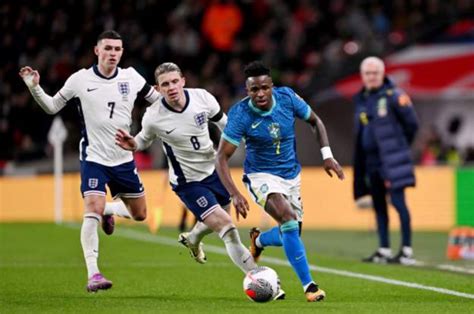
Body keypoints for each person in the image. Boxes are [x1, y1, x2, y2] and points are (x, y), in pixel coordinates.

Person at [19, 30, 161, 292]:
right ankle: (93, 273)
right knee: (91, 209)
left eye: (117, 49)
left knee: (140, 214)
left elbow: (159, 102)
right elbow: (51, 107)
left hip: (123, 159)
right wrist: (34, 87)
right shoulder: (80, 79)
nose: (113, 54)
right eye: (107, 48)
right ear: (97, 50)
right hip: (94, 156)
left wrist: (154, 125)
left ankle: (108, 209)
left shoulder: (131, 77)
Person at [115, 63, 270, 292]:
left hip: (214, 172)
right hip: (188, 182)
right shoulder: (154, 116)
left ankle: (193, 238)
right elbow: (143, 140)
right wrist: (134, 144)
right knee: (227, 227)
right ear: (158, 88)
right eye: (165, 84)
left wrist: (250, 143)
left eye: (174, 81)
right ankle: (260, 281)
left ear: (183, 81)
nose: (171, 87)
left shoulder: (203, 98)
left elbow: (225, 123)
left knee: (215, 222)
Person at [215, 61, 345, 302]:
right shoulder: (240, 114)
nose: (260, 94)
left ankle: (260, 239)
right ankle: (310, 286)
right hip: (260, 176)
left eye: (264, 87)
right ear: (248, 91)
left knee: (293, 232)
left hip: (291, 175)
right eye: (254, 90)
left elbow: (316, 122)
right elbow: (221, 157)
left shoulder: (287, 98)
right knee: (287, 219)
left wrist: (327, 156)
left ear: (272, 86)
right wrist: (234, 193)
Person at [353, 56, 419, 265]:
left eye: (375, 73)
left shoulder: (395, 95)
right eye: (368, 73)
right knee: (379, 205)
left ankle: (406, 250)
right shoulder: (361, 98)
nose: (371, 77)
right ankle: (384, 249)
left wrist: (398, 149)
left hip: (391, 160)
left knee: (399, 203)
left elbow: (412, 125)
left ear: (382, 74)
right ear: (362, 76)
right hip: (370, 161)